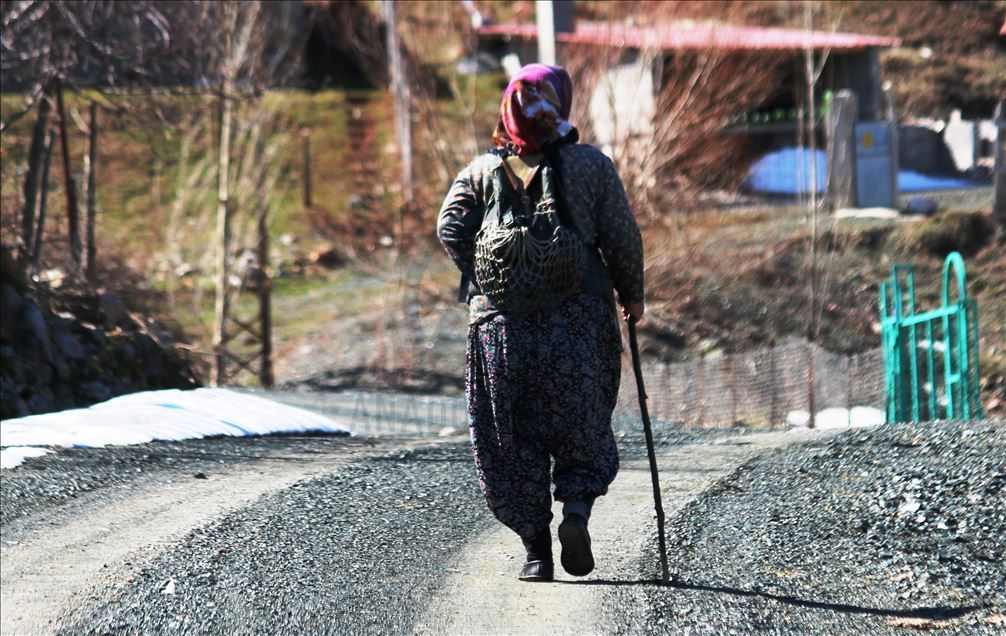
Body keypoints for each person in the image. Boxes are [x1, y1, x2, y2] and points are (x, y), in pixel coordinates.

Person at [437, 63, 644, 582]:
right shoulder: (590, 165)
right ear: (561, 103)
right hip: (579, 322)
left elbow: (450, 226)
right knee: (582, 424)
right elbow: (621, 235)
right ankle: (576, 511)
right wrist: (632, 296)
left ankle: (536, 553)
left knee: (511, 438)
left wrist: (487, 275)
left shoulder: (479, 172)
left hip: (501, 331)